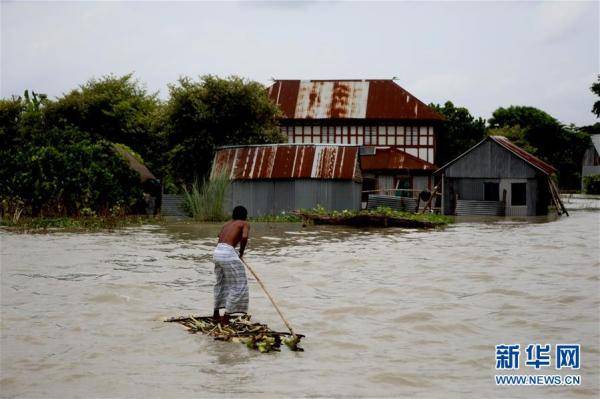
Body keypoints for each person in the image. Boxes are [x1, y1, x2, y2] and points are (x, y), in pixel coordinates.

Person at [212, 205, 250, 325]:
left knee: (221, 282)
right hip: (227, 253)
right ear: (245, 216)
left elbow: (219, 236)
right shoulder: (244, 223)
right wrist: (241, 252)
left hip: (217, 252)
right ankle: (226, 317)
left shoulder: (227, 224)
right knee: (239, 283)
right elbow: (244, 237)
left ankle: (216, 313)